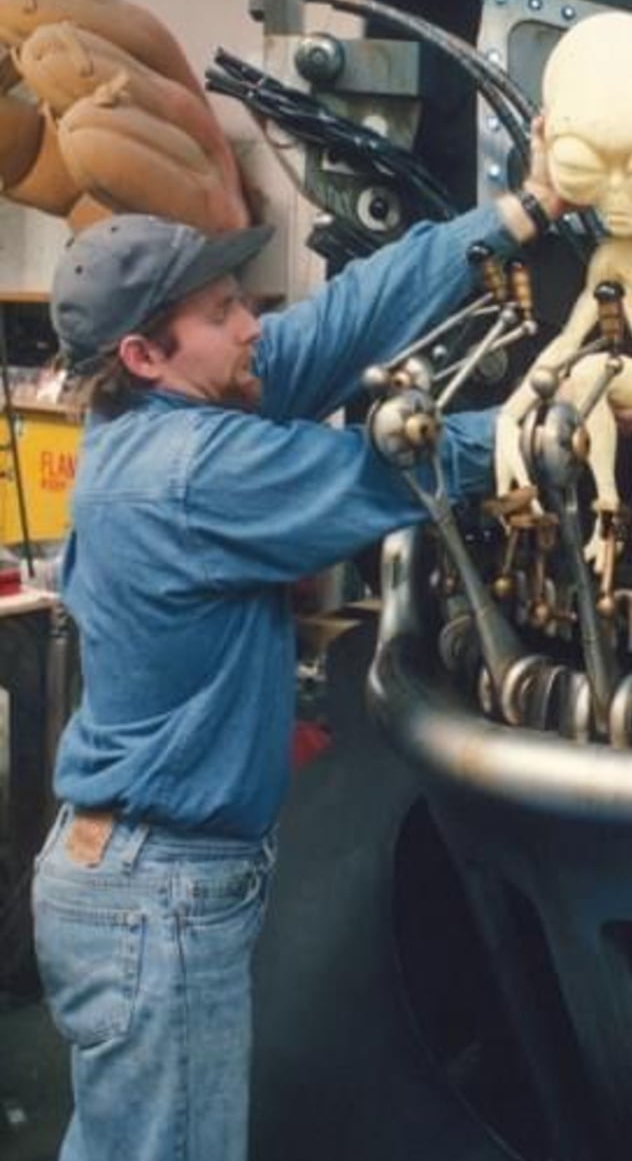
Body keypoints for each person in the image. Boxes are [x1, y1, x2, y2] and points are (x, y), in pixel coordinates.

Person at [31, 172, 566, 1161]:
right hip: (157, 897)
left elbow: (343, 321)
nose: (253, 328)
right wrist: (551, 427)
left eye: (241, 301)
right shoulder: (185, 477)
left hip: (138, 880)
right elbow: (383, 472)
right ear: (144, 355)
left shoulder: (170, 413)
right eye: (223, 314)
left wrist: (520, 211)